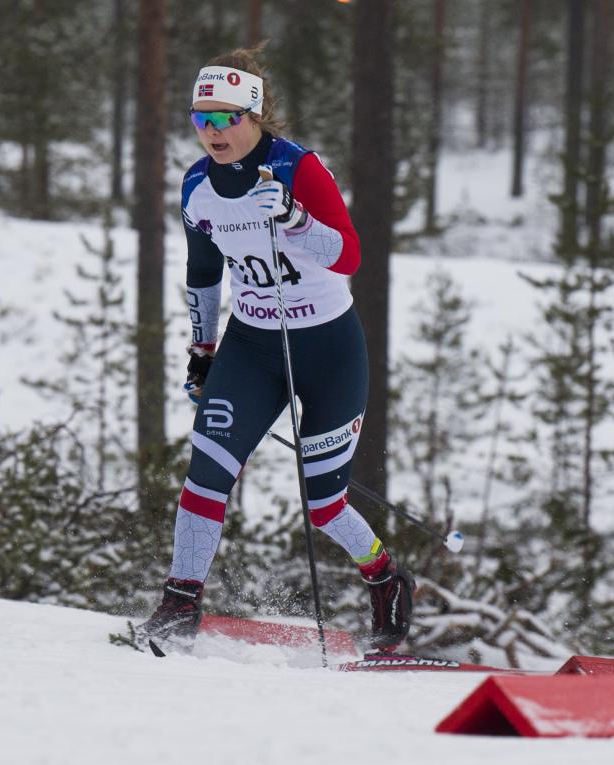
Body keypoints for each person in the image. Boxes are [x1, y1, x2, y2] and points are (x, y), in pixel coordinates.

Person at [135, 48, 415, 653]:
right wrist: (202, 350)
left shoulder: (298, 168)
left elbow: (348, 255)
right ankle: (181, 602)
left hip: (328, 349)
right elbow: (204, 271)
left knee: (324, 505)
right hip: (253, 347)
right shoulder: (196, 186)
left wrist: (291, 217)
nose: (213, 133)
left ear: (255, 115)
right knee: (207, 471)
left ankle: (384, 574)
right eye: (200, 119)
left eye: (226, 118)